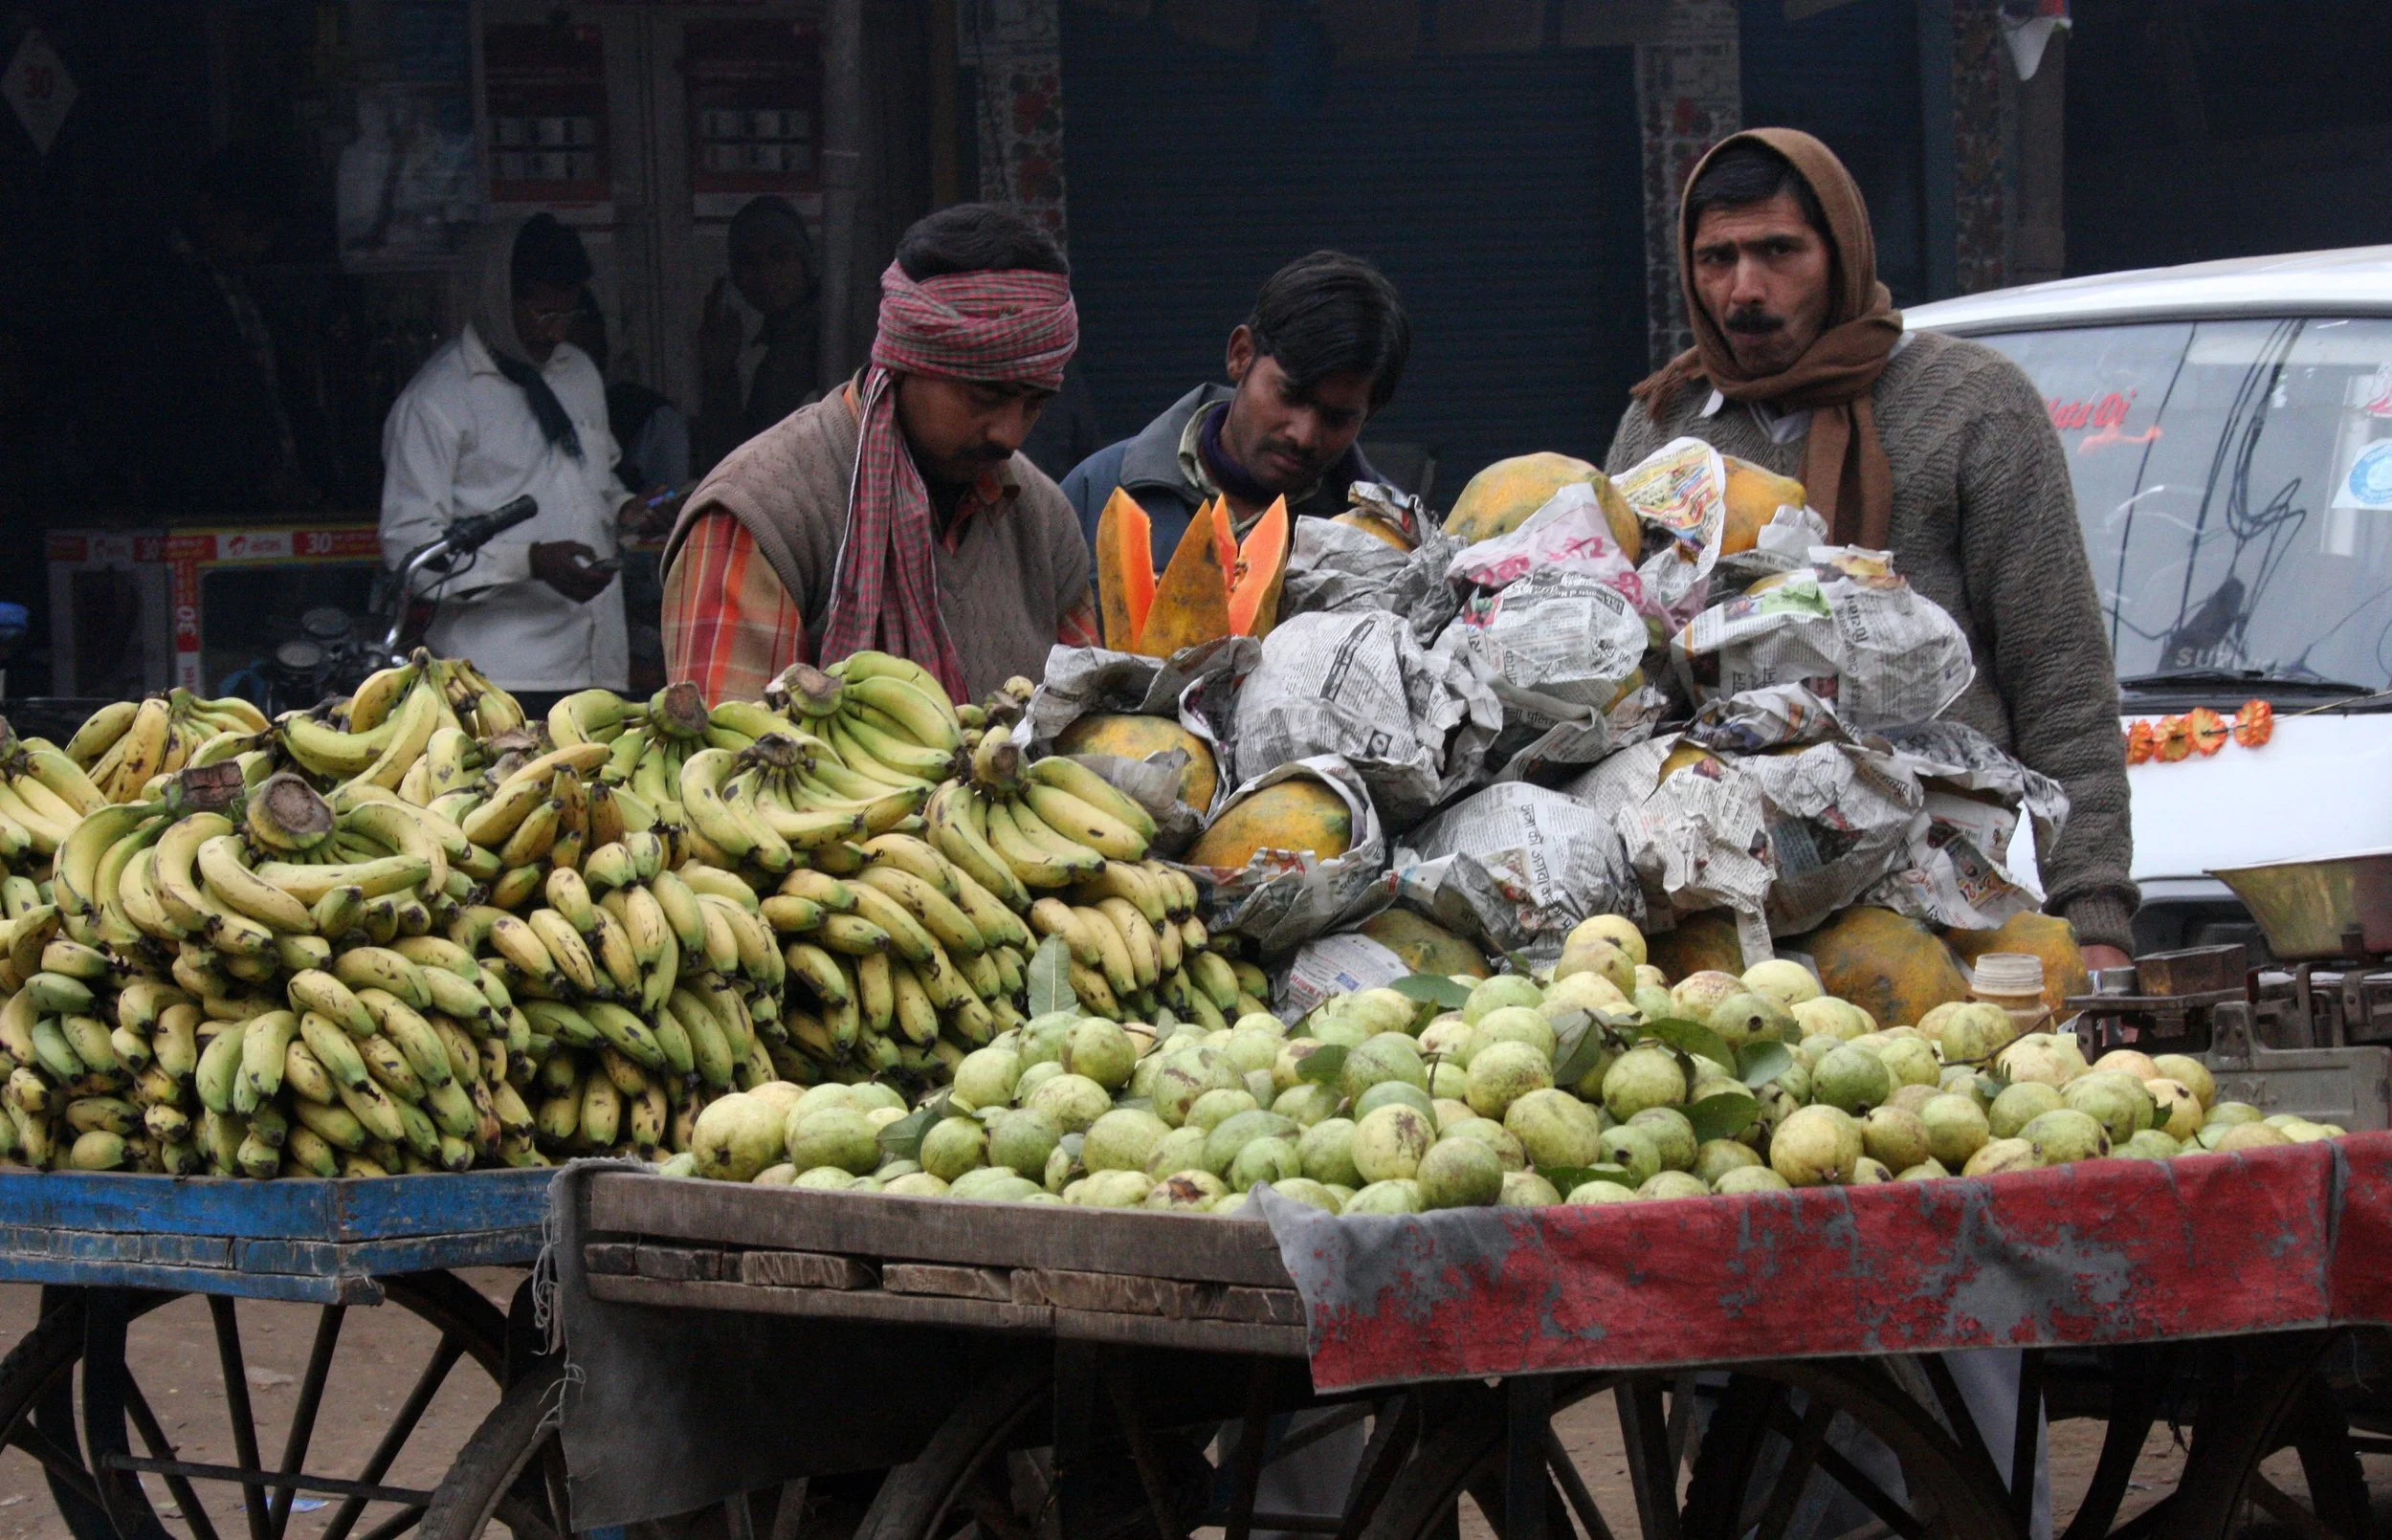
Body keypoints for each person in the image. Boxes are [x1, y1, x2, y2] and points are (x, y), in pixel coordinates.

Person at [1606, 126, 2137, 973]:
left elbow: (2060, 674)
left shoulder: (1971, 406)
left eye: (1779, 251)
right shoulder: (1662, 429)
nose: (1745, 289)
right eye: (1718, 259)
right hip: (1725, 913)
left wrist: (2096, 909)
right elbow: (1623, 678)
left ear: (1841, 251)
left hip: (1945, 902)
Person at [660, 203, 1094, 706]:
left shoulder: (1044, 519)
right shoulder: (759, 515)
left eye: (1035, 402)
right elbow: (728, 761)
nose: (1010, 434)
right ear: (904, 360)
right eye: (985, 397)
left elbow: (1088, 733)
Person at [379, 213, 654, 715]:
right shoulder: (438, 402)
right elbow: (410, 550)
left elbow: (596, 481)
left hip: (600, 662)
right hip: (499, 674)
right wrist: (527, 562)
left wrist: (628, 510)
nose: (554, 333)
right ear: (498, 298)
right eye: (542, 313)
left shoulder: (577, 373)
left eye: (567, 316)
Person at [1058, 251, 1408, 576]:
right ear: (1241, 355)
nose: (1303, 435)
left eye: (1337, 418)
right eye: (1289, 395)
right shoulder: (1096, 492)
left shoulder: (1394, 541)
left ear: (1369, 414)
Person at [118, 143, 316, 511]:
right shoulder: (160, 290)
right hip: (208, 500)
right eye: (249, 230)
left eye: (267, 235)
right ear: (208, 211)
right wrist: (251, 475)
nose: (258, 247)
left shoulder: (245, 285)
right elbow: (177, 408)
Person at [694, 195, 822, 473]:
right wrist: (720, 372)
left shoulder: (822, 334)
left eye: (779, 257)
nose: (766, 274)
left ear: (803, 261)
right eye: (750, 263)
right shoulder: (777, 343)